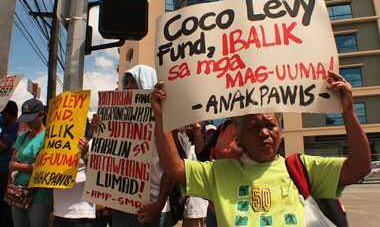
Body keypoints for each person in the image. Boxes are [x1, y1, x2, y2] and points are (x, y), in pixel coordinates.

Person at [151, 70, 371, 226]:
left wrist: (348, 111)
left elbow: (359, 167)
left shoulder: (302, 167)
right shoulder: (219, 172)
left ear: (280, 132)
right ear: (239, 137)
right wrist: (161, 117)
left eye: (270, 125)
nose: (264, 132)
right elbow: (174, 168)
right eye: (254, 127)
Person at [112, 64, 173, 227]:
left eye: (135, 81)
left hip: (152, 210)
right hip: (121, 208)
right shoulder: (119, 119)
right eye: (128, 82)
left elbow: (171, 167)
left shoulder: (163, 119)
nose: (130, 86)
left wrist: (158, 204)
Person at [52, 114, 102, 227]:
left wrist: (85, 156)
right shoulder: (57, 146)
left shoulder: (92, 144)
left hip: (82, 213)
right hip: (59, 212)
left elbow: (97, 178)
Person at [9, 98, 52, 227]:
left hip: (38, 196)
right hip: (17, 192)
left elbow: (41, 167)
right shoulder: (22, 137)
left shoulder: (48, 137)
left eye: (32, 118)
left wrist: (16, 165)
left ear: (41, 115)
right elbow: (12, 160)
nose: (28, 122)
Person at [0, 100, 19, 227]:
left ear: (9, 115)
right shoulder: (6, 124)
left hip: (5, 172)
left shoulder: (16, 129)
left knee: (5, 205)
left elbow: (2, 147)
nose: (2, 117)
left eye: (4, 114)